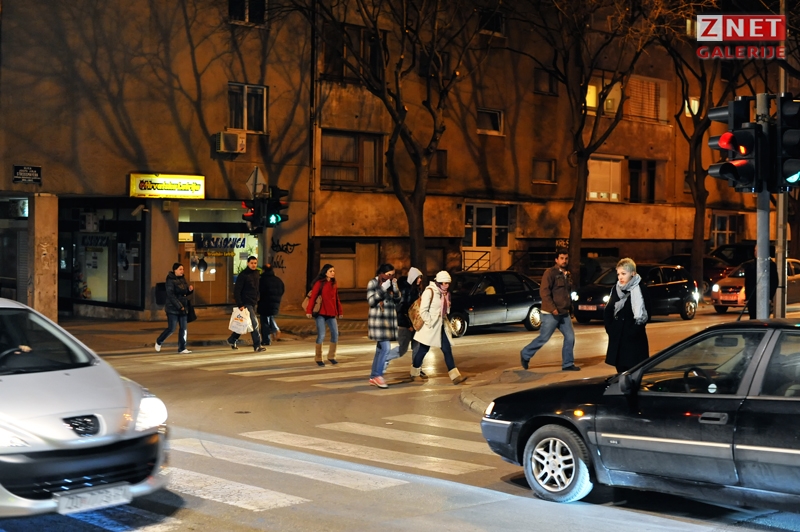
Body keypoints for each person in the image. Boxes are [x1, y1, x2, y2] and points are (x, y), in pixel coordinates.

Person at [520, 248, 579, 371]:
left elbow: (567, 294)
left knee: (570, 337)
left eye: (566, 258)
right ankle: (525, 353)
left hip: (564, 313)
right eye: (561, 258)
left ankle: (568, 364)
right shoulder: (550, 273)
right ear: (556, 259)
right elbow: (544, 292)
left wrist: (570, 309)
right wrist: (553, 309)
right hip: (551, 313)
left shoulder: (567, 274)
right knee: (544, 337)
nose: (564, 261)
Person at [410, 270, 468, 385]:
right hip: (429, 327)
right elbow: (423, 311)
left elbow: (445, 311)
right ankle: (414, 373)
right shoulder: (429, 291)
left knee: (447, 350)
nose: (446, 285)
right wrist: (430, 322)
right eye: (444, 283)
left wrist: (447, 306)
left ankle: (455, 376)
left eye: (448, 283)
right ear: (438, 282)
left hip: (441, 326)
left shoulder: (445, 294)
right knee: (423, 350)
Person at [604, 258, 651, 374]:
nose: (620, 277)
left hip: (634, 341)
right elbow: (608, 310)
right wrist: (610, 329)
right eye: (618, 274)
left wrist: (633, 331)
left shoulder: (641, 289)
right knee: (621, 374)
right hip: (618, 340)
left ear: (633, 273)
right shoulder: (616, 289)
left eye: (623, 274)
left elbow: (647, 314)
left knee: (634, 374)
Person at [384, 267, 424, 375]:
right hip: (405, 325)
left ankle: (417, 369)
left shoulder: (417, 290)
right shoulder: (405, 290)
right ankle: (385, 358)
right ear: (413, 278)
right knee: (402, 349)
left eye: (420, 278)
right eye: (418, 278)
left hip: (415, 324)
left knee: (417, 347)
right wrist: (408, 325)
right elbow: (401, 309)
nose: (420, 280)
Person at [366, 264, 400, 388]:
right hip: (378, 322)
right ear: (382, 273)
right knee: (386, 348)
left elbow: (398, 300)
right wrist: (382, 289)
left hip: (389, 321)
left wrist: (395, 287)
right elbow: (371, 301)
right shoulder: (373, 283)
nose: (391, 277)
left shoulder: (391, 283)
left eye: (393, 275)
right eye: (389, 274)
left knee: (380, 350)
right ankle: (378, 375)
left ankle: (373, 376)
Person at [306, 264, 344, 366]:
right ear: (325, 272)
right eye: (330, 271)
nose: (333, 273)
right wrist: (309, 311)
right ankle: (318, 358)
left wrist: (340, 311)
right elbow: (313, 297)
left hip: (331, 313)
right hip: (321, 313)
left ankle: (332, 356)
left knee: (335, 334)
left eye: (333, 271)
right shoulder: (319, 283)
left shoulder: (334, 283)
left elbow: (337, 299)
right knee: (321, 335)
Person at [227, 256, 265, 352]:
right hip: (246, 303)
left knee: (244, 323)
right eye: (251, 263)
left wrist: (258, 298)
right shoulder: (243, 275)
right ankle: (257, 345)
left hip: (253, 302)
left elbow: (257, 288)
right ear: (248, 263)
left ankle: (232, 339)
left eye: (255, 263)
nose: (253, 265)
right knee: (254, 323)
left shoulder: (257, 274)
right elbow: (237, 290)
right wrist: (240, 304)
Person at [155, 263, 194, 354]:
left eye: (183, 269)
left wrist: (189, 290)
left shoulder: (182, 279)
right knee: (171, 328)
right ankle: (159, 341)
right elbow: (171, 295)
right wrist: (179, 306)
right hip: (172, 308)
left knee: (183, 328)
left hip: (183, 307)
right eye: (180, 269)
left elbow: (184, 292)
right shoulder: (170, 280)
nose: (182, 271)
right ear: (175, 270)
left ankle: (182, 348)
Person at [744, 247, 778, 319]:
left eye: (758, 250)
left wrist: (770, 297)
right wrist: (747, 298)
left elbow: (774, 282)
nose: (756, 253)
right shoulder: (750, 265)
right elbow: (747, 282)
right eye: (755, 250)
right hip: (752, 297)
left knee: (763, 318)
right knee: (753, 317)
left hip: (764, 296)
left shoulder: (770, 265)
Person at [257, 264, 284, 345]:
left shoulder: (262, 280)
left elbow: (259, 291)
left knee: (264, 321)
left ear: (263, 270)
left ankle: (266, 340)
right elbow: (282, 290)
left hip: (264, 303)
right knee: (270, 316)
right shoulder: (278, 280)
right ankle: (275, 329)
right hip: (275, 303)